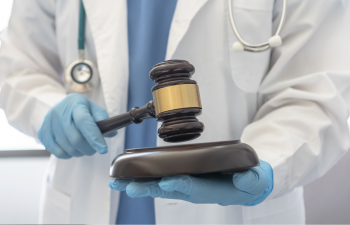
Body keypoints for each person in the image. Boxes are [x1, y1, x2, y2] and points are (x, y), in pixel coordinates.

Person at [0, 0, 350, 224]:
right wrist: (47, 109)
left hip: (231, 215)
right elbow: (18, 65)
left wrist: (270, 162)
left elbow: (316, 88)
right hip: (85, 199)